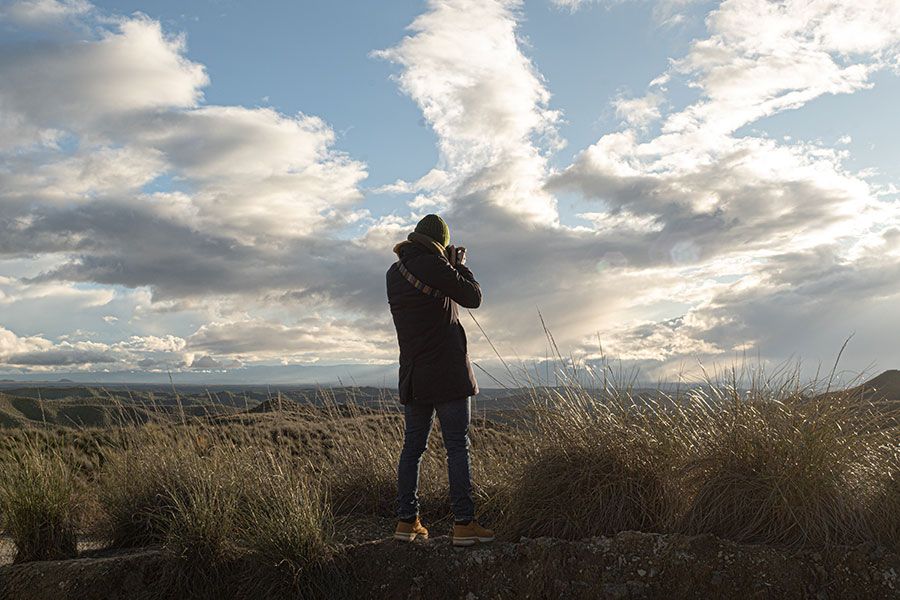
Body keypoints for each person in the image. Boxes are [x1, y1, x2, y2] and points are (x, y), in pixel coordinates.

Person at [385, 214, 495, 547]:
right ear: (440, 244)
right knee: (457, 447)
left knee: (412, 449)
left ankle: (408, 522)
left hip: (415, 376)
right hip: (448, 374)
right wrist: (459, 265)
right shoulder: (438, 267)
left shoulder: (394, 273)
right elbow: (473, 297)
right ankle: (464, 524)